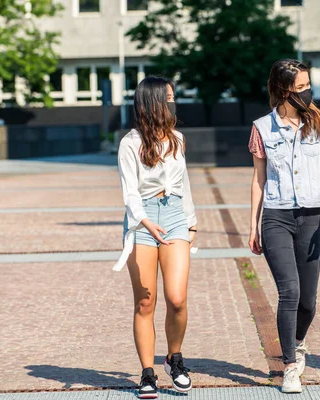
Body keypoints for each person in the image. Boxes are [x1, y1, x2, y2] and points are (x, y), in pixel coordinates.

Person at [248, 59, 320, 393]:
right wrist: (253, 225)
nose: (307, 92)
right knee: (289, 291)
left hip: (310, 217)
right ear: (284, 91)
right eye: (301, 88)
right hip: (276, 216)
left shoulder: (319, 123)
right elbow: (258, 180)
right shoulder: (262, 128)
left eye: (308, 85)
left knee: (308, 301)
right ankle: (289, 366)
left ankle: (298, 341)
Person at [114, 76, 197, 398]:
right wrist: (145, 221)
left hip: (176, 216)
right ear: (153, 103)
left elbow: (184, 183)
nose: (173, 104)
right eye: (170, 98)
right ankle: (147, 374)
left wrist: (191, 222)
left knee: (177, 298)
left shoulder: (177, 138)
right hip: (141, 222)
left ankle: (175, 358)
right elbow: (129, 191)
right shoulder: (130, 143)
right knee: (145, 301)